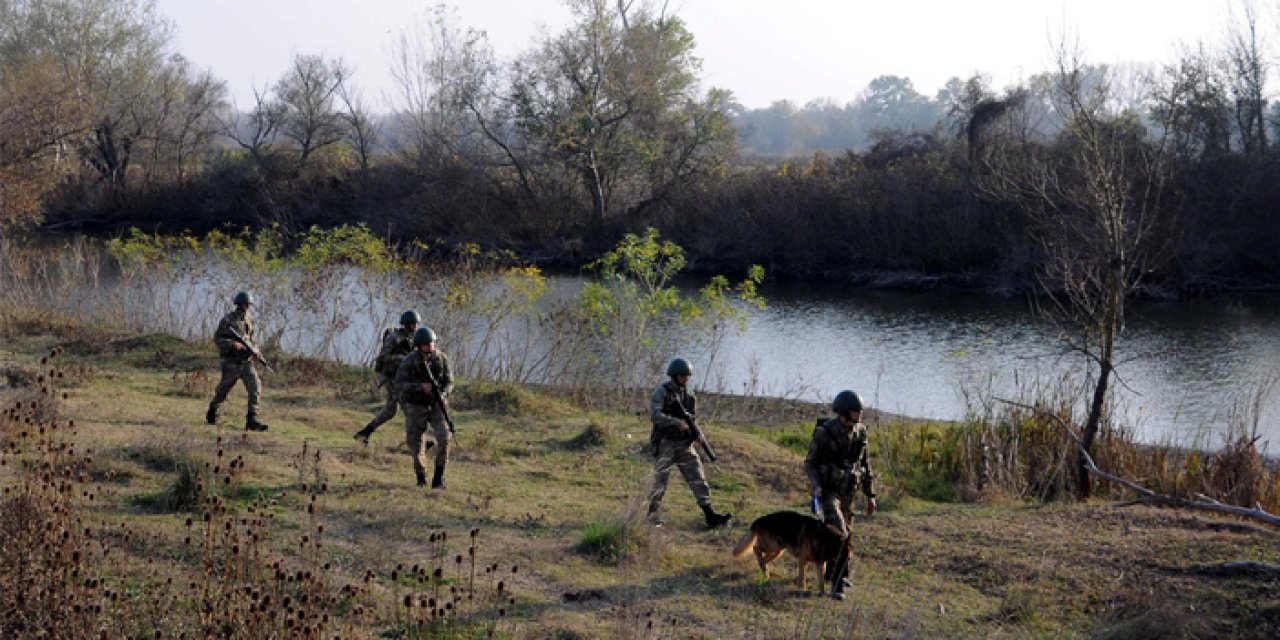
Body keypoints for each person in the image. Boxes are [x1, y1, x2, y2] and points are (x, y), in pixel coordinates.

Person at [804, 389, 877, 600]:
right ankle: (836, 585)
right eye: (856, 411)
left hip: (849, 492)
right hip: (829, 491)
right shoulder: (824, 433)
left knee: (849, 534)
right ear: (845, 412)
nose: (860, 415)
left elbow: (865, 465)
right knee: (839, 532)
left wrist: (870, 494)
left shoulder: (860, 432)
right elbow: (810, 463)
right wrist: (816, 485)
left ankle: (839, 573)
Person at [646, 357, 733, 529]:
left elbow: (691, 418)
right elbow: (655, 415)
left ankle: (710, 515)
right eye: (683, 376)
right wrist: (675, 422)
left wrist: (697, 434)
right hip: (665, 443)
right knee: (660, 481)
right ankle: (652, 515)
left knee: (697, 477)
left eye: (687, 376)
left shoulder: (689, 395)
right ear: (675, 375)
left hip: (684, 444)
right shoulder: (662, 392)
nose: (686, 379)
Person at [394, 326, 454, 488]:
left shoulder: (441, 359)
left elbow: (449, 382)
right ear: (419, 346)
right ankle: (421, 477)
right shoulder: (409, 361)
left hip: (436, 404)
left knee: (444, 437)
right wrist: (420, 387)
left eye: (433, 343)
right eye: (427, 344)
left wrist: (442, 394)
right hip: (416, 405)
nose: (431, 347)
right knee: (415, 442)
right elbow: (399, 384)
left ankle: (439, 478)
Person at [353, 310, 421, 444]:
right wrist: (402, 359)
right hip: (392, 378)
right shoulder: (394, 338)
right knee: (409, 408)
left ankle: (364, 433)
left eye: (417, 324)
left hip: (403, 377)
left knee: (390, 410)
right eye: (414, 324)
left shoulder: (413, 338)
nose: (416, 326)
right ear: (407, 324)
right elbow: (383, 357)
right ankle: (416, 442)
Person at [206, 291, 269, 432]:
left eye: (248, 304)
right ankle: (213, 410)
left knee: (255, 388)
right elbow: (218, 339)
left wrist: (256, 350)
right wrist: (232, 344)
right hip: (231, 362)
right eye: (245, 304)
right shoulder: (228, 320)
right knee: (223, 391)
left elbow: (251, 338)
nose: (247, 307)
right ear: (239, 304)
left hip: (246, 362)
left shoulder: (250, 319)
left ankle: (252, 420)